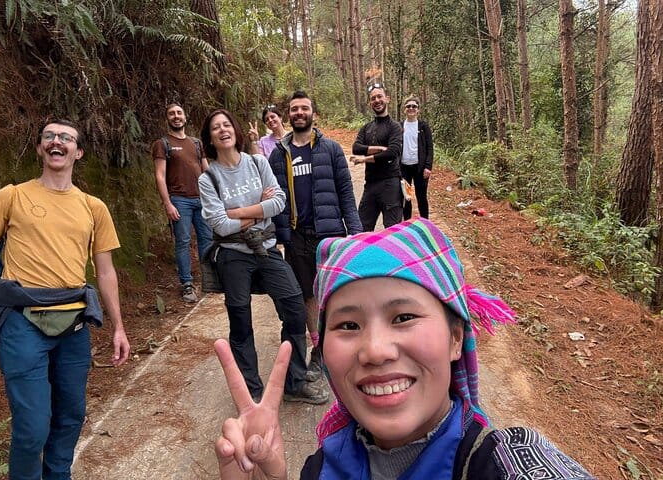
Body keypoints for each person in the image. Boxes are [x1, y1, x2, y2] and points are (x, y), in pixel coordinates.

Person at [212, 218, 596, 479]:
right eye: (348, 325)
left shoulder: (501, 463)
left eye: (404, 317)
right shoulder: (320, 467)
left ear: (456, 337)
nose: (375, 350)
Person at [0, 119, 131, 480]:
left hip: (74, 325)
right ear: (40, 148)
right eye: (49, 136)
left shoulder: (93, 207)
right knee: (32, 428)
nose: (56, 141)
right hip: (21, 323)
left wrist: (118, 327)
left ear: (78, 152)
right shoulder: (12, 196)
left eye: (66, 137)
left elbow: (106, 271)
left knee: (70, 417)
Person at [198, 108, 328, 405]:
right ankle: (252, 391)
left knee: (294, 307)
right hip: (232, 254)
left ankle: (294, 382)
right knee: (240, 320)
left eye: (227, 124)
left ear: (236, 130)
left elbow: (279, 202)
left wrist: (239, 213)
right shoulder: (209, 179)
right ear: (210, 138)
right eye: (216, 128)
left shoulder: (257, 163)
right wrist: (259, 209)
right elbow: (219, 225)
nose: (223, 130)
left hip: (266, 248)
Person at [268, 90, 363, 382]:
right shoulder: (278, 154)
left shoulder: (331, 149)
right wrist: (277, 235)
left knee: (334, 292)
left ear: (313, 114)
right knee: (307, 294)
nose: (299, 113)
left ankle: (344, 343)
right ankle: (320, 349)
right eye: (294, 109)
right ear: (289, 115)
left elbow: (346, 192)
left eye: (304, 108)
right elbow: (273, 199)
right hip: (296, 236)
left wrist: (355, 232)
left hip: (329, 234)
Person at [151, 103, 213, 302]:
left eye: (179, 113)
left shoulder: (196, 143)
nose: (176, 116)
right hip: (179, 200)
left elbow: (207, 171)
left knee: (207, 239)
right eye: (172, 114)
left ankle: (210, 279)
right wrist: (167, 204)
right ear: (167, 119)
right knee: (183, 242)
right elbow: (160, 175)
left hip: (201, 199)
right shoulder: (162, 144)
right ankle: (187, 284)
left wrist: (213, 196)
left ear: (185, 117)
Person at [350, 83, 404, 231]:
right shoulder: (366, 128)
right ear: (370, 103)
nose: (377, 100)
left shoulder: (395, 127)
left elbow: (392, 152)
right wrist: (379, 149)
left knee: (392, 232)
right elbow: (356, 148)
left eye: (379, 96)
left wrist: (364, 159)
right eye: (373, 98)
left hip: (390, 184)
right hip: (371, 184)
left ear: (387, 99)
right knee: (361, 229)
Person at [400, 95, 434, 219]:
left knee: (421, 196)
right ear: (404, 109)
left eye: (414, 106)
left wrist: (428, 167)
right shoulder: (399, 126)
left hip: (420, 168)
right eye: (408, 106)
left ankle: (425, 223)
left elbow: (429, 147)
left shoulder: (423, 126)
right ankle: (407, 223)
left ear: (418, 109)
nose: (411, 108)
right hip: (404, 168)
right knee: (406, 197)